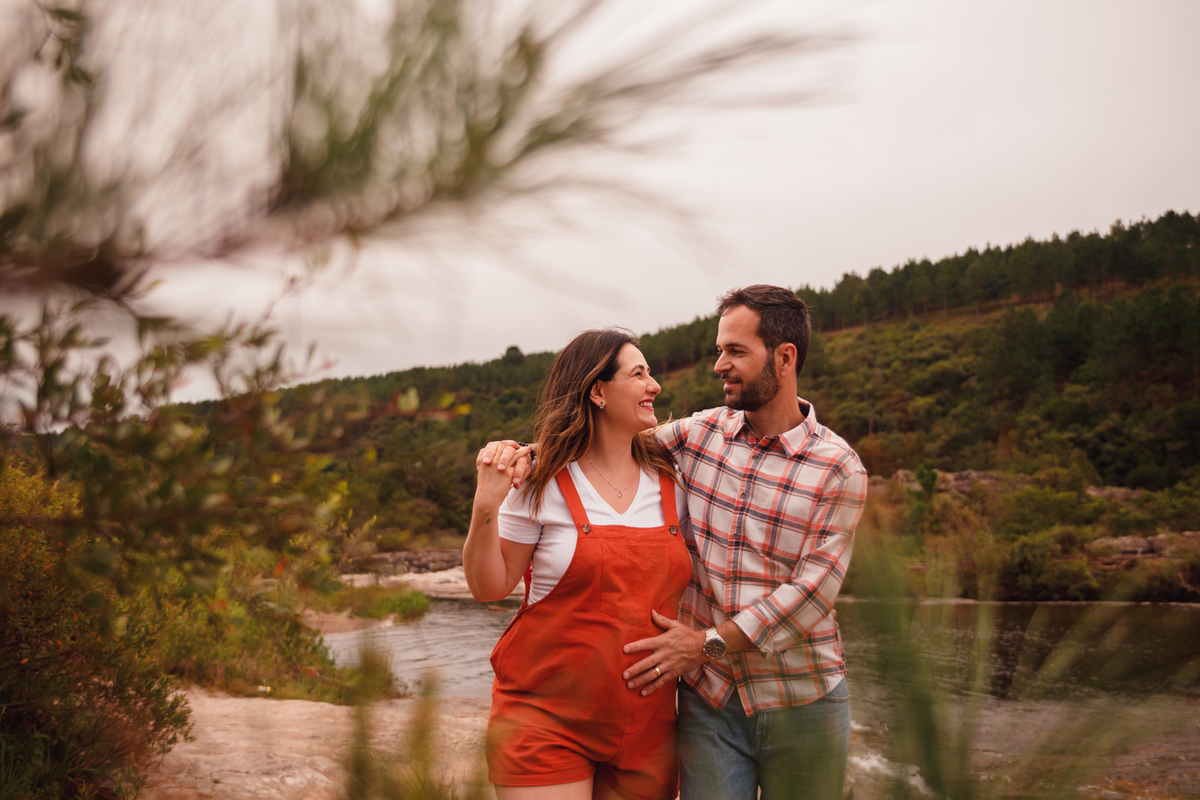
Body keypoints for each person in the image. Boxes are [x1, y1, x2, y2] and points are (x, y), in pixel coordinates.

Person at [483, 285, 867, 800]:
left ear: (785, 356)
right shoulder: (698, 435)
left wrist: (705, 643)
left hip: (802, 697)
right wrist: (524, 454)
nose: (719, 365)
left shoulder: (839, 468)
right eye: (718, 351)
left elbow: (813, 594)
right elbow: (605, 438)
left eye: (735, 351)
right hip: (708, 702)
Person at [465, 328, 693, 800]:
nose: (655, 386)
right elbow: (489, 587)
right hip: (546, 722)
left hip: (648, 728)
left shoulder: (675, 482)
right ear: (597, 391)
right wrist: (484, 508)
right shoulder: (539, 482)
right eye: (639, 374)